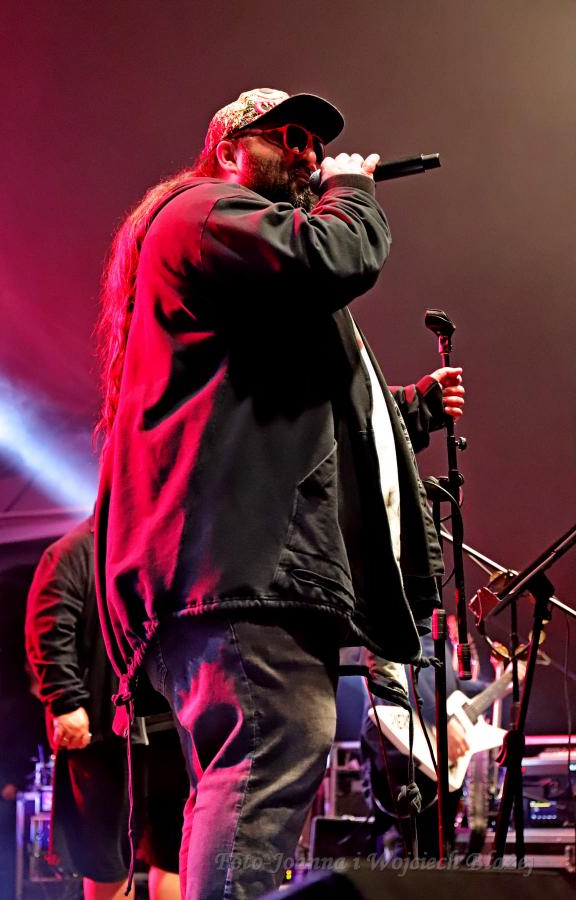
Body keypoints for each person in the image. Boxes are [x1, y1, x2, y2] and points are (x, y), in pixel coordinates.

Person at [93, 87, 465, 900]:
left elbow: (302, 405)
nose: (307, 154)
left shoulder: (239, 256)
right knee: (271, 749)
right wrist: (353, 189)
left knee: (253, 767)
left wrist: (410, 410)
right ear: (229, 149)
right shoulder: (204, 210)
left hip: (238, 563)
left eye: (316, 145)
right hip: (240, 564)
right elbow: (335, 257)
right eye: (287, 136)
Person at [25, 517, 186, 900]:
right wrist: (65, 701)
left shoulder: (161, 545)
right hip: (102, 733)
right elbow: (49, 629)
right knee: (106, 857)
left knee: (174, 850)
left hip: (167, 727)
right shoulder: (73, 552)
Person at [360, 630, 487, 860]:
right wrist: (441, 720)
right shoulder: (414, 622)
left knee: (434, 848)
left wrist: (504, 682)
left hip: (429, 759)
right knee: (413, 848)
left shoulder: (436, 633)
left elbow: (453, 687)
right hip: (405, 756)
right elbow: (400, 673)